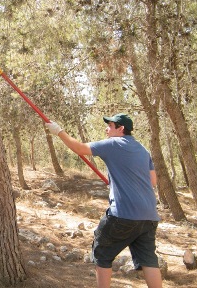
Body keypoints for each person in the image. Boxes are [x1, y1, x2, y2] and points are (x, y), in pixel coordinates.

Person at [46, 113, 162, 288]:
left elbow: (80, 148)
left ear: (121, 129)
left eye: (110, 126)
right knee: (149, 260)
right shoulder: (142, 149)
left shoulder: (113, 144)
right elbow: (152, 181)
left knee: (102, 254)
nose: (106, 129)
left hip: (123, 214)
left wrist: (59, 132)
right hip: (149, 216)